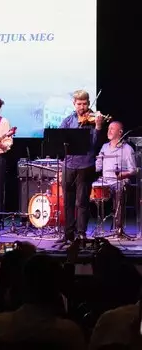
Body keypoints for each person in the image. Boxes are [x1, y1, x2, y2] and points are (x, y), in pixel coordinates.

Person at [57, 89, 104, 243]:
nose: (82, 107)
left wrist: (98, 127)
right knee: (68, 202)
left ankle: (81, 234)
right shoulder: (68, 120)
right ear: (74, 104)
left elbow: (95, 144)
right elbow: (59, 139)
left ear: (89, 103)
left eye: (84, 104)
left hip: (85, 165)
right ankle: (68, 234)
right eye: (79, 104)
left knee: (82, 202)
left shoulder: (93, 120)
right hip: (68, 164)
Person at [94, 121, 137, 234]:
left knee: (120, 188)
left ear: (120, 132)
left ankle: (118, 228)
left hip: (120, 181)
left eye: (112, 129)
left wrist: (123, 175)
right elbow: (98, 166)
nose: (109, 131)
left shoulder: (127, 149)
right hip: (105, 181)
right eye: (108, 128)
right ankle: (98, 228)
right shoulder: (104, 147)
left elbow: (133, 170)